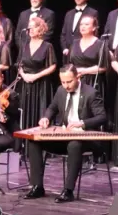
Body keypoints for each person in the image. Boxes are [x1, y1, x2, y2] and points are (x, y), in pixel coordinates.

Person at [23, 64, 107, 203]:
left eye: (69, 82)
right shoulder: (60, 90)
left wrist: (82, 123)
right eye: (63, 82)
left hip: (86, 139)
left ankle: (68, 191)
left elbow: (102, 117)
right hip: (65, 136)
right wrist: (46, 118)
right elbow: (52, 107)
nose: (66, 86)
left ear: (78, 77)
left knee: (74, 145)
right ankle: (37, 187)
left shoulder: (91, 93)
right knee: (34, 141)